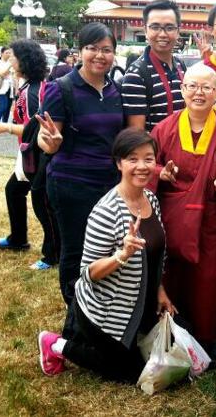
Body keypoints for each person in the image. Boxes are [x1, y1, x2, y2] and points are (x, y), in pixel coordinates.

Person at [37, 129, 176, 382]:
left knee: (166, 354)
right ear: (119, 163)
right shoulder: (107, 211)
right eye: (132, 159)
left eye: (148, 158)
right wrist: (122, 254)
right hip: (105, 312)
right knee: (135, 374)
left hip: (137, 303)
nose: (142, 166)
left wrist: (160, 290)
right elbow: (88, 273)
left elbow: (157, 256)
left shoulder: (151, 200)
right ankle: (55, 344)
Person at [151, 64, 216, 360]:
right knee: (173, 276)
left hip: (212, 221)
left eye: (207, 87)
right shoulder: (165, 129)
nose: (199, 93)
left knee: (210, 281)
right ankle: (172, 333)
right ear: (182, 90)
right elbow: (147, 165)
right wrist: (160, 173)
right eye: (192, 86)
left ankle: (208, 339)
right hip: (174, 220)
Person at [38, 23, 134, 326]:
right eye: (92, 48)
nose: (99, 55)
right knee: (76, 249)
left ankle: (98, 310)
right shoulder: (62, 88)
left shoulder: (115, 90)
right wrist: (51, 143)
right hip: (72, 185)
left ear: (114, 54)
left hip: (109, 186)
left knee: (104, 249)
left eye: (106, 49)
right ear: (80, 51)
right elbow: (47, 137)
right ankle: (76, 315)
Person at [0, 40, 59, 269]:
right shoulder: (28, 86)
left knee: (43, 204)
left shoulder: (33, 91)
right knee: (14, 191)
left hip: (38, 155)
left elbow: (35, 128)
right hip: (29, 153)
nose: (10, 61)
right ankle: (18, 239)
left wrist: (6, 127)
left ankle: (52, 254)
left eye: (13, 57)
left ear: (24, 61)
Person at [122, 0, 186, 132]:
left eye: (169, 28)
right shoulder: (136, 74)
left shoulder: (181, 66)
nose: (162, 34)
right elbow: (137, 133)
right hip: (154, 145)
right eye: (155, 27)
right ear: (145, 30)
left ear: (178, 31)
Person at [0, 47, 14, 123]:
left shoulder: (10, 63)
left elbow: (12, 75)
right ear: (2, 53)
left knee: (7, 108)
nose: (8, 54)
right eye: (6, 53)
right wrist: (9, 66)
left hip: (10, 88)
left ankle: (4, 124)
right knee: (3, 107)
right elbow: (2, 74)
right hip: (1, 88)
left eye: (9, 53)